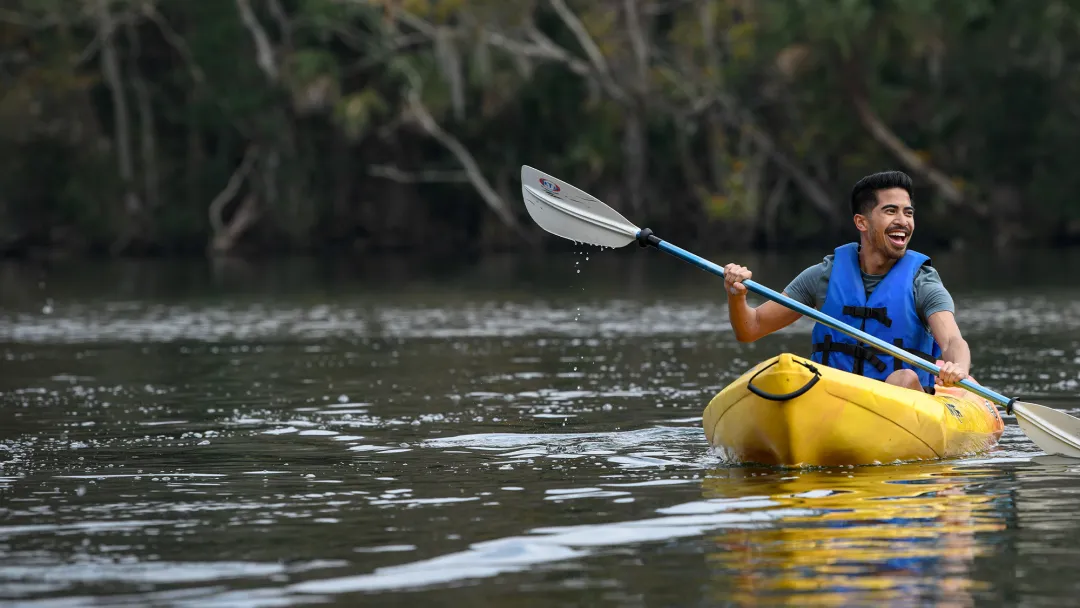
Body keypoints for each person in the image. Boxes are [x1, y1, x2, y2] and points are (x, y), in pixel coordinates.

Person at [722, 170, 971, 393]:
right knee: (790, 368)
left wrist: (956, 368)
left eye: (908, 213)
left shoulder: (922, 282)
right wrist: (736, 296)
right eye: (890, 211)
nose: (903, 221)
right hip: (836, 401)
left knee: (903, 377)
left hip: (905, 406)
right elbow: (750, 328)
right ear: (861, 222)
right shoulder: (823, 276)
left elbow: (951, 340)